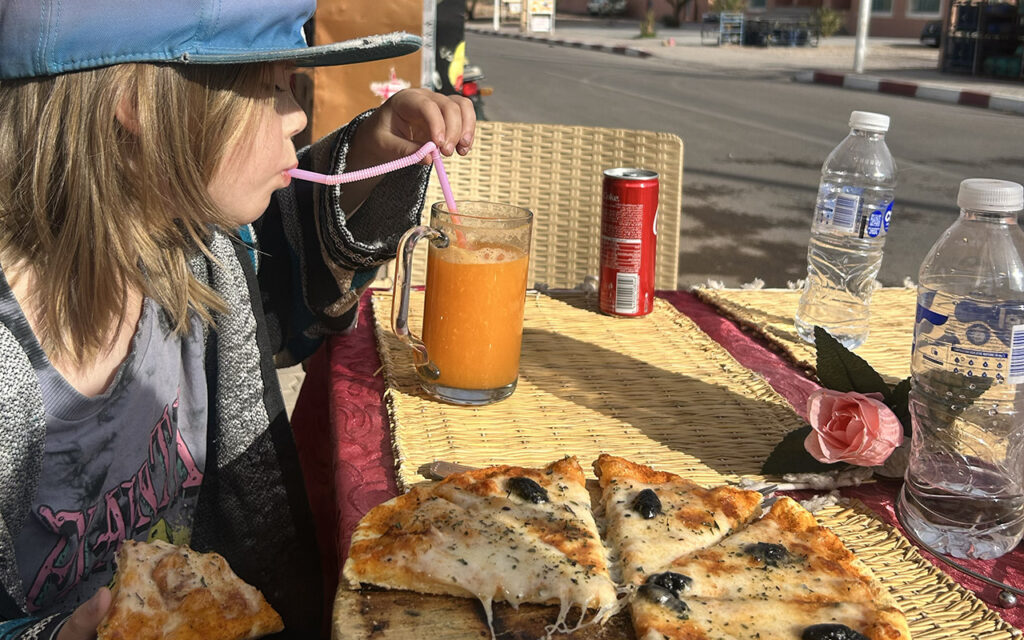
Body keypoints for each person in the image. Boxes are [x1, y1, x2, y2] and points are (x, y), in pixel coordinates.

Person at [0, 0, 475, 638]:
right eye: (272, 86)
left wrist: (369, 150)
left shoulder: (198, 254)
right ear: (140, 106)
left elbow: (277, 295)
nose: (300, 114)